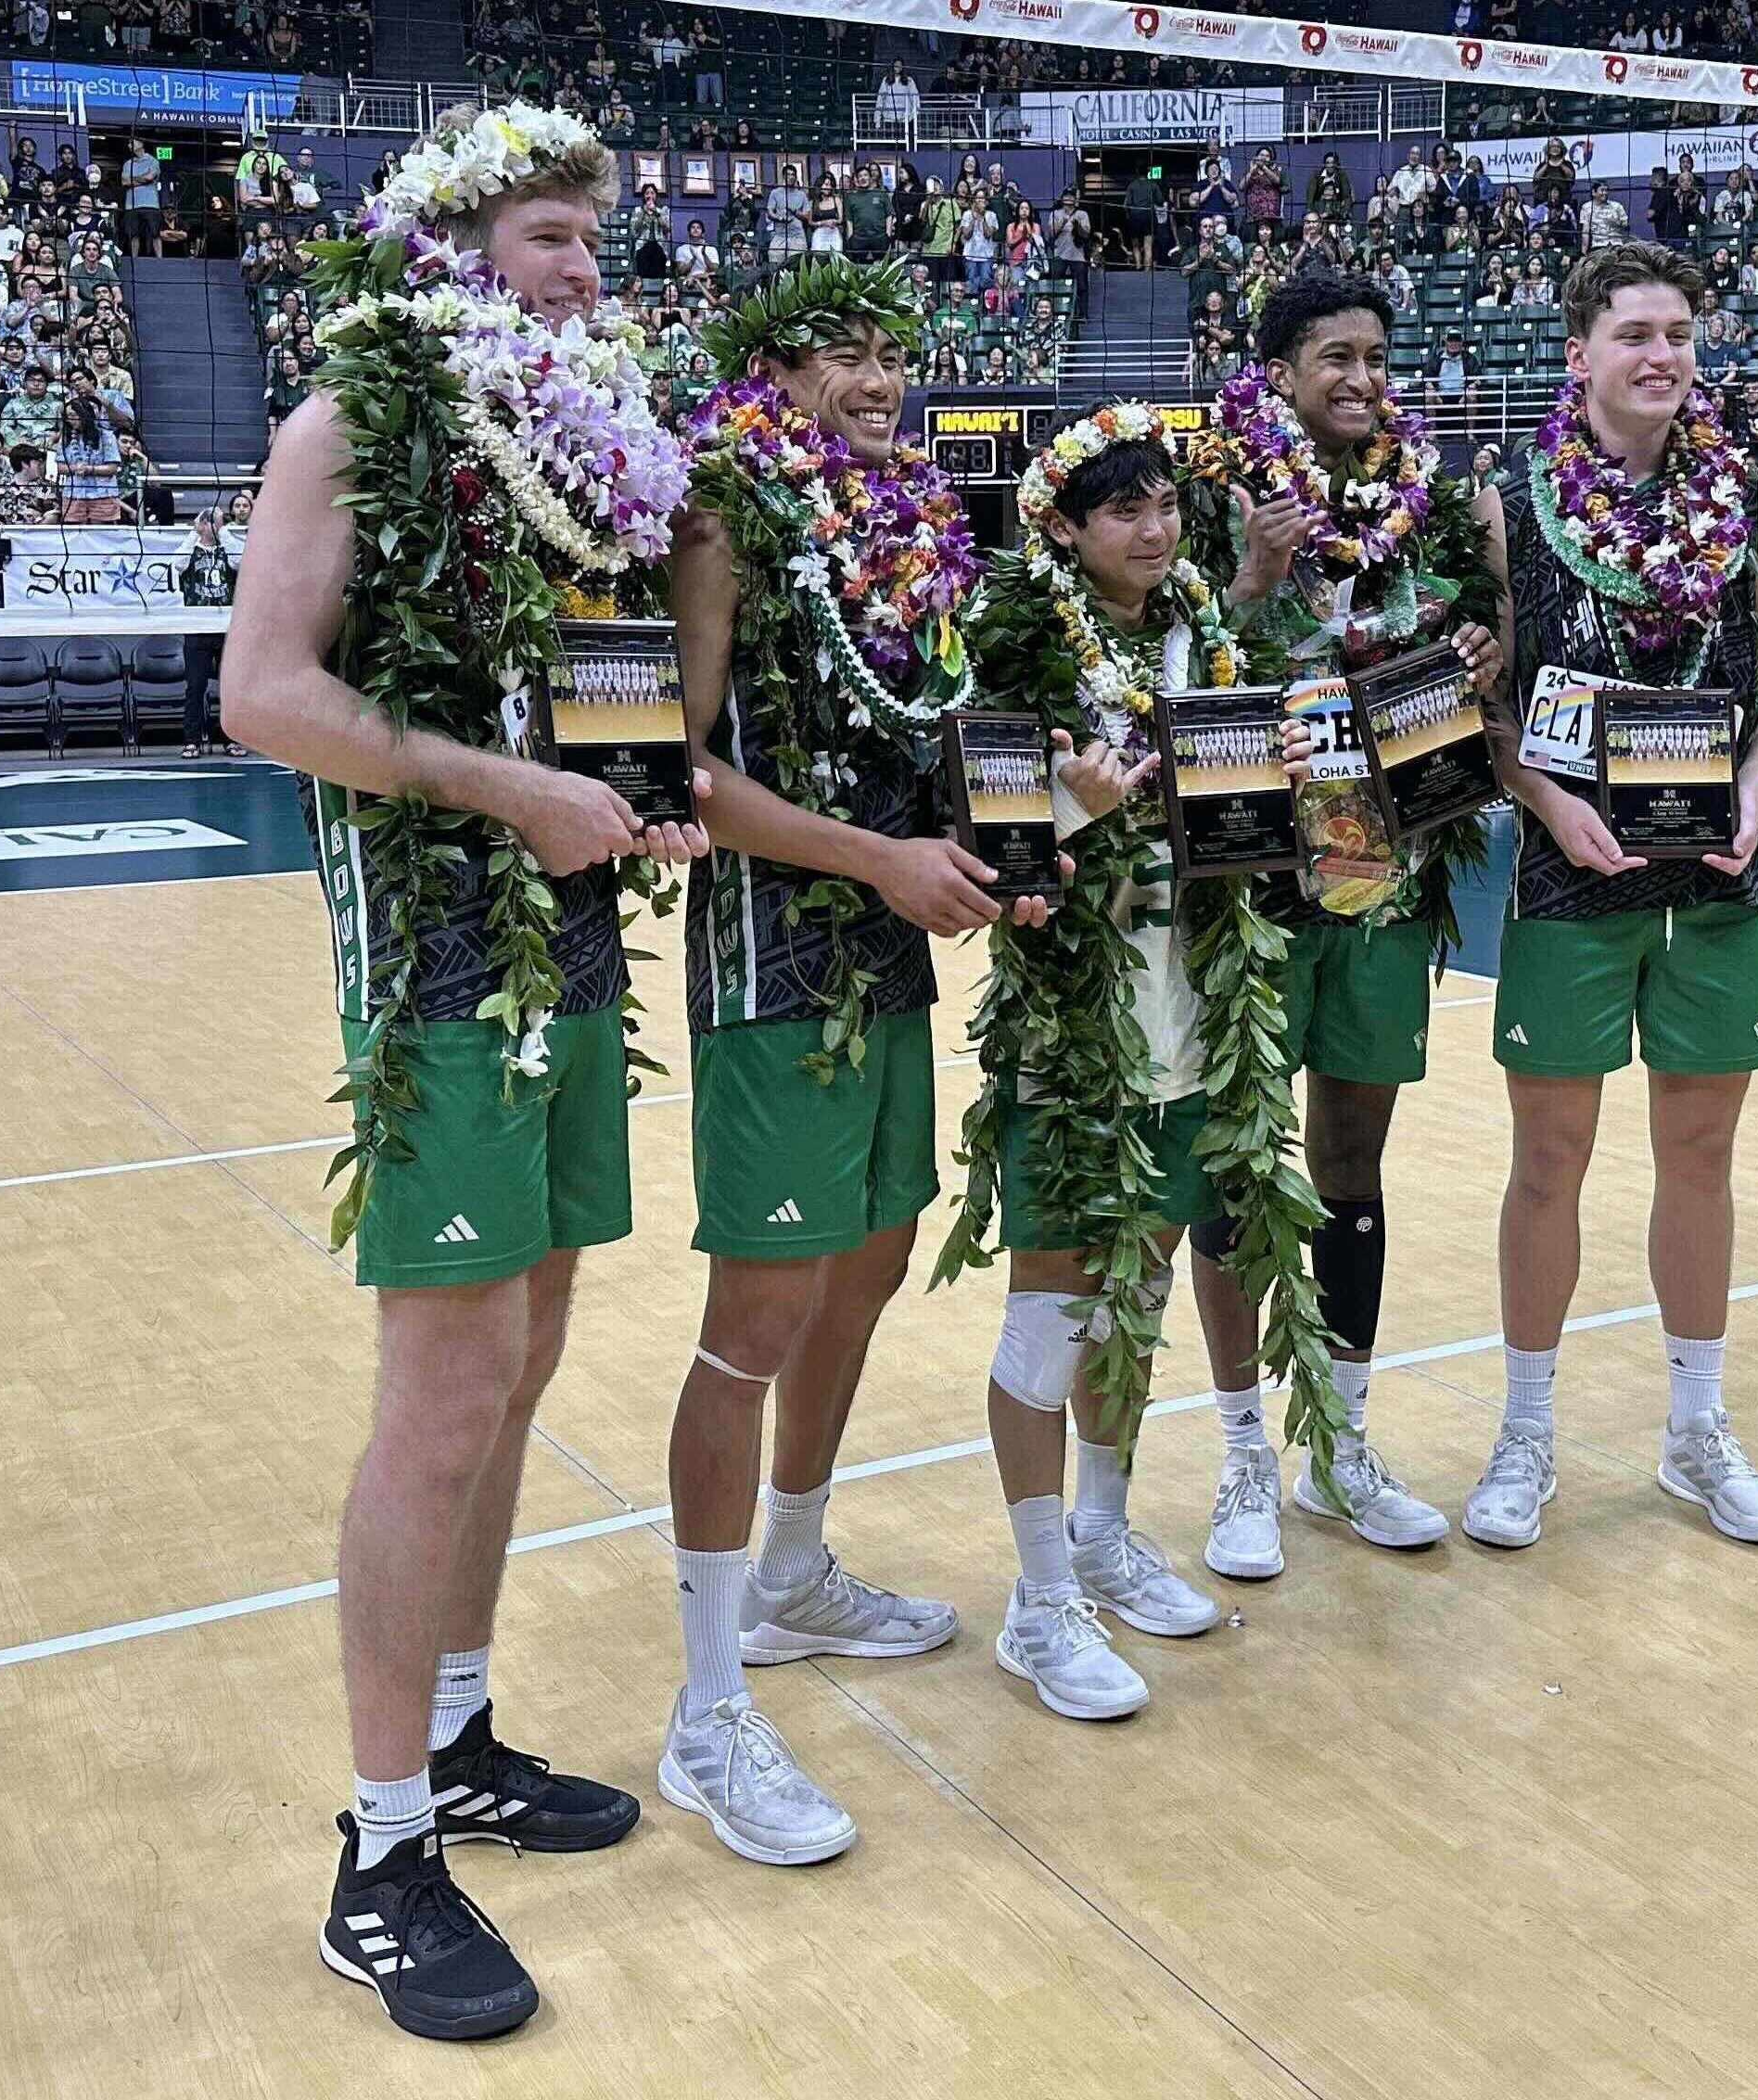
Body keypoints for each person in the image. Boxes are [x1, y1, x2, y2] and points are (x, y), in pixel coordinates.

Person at [221, 103, 709, 2046]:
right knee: (439, 1396)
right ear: (447, 246)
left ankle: (460, 1731)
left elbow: (589, 686)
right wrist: (507, 784)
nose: (585, 271)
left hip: (573, 937)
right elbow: (262, 693)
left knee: (525, 1356)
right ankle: (380, 1849)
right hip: (436, 949)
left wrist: (637, 787)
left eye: (595, 241)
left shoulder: (585, 444)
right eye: (546, 236)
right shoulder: (352, 421)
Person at [653, 261, 1000, 1860]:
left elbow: (925, 733)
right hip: (771, 964)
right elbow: (687, 773)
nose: (874, 375)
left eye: (888, 352)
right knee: (760, 1309)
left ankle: (791, 1571)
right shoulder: (724, 512)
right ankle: (706, 1705)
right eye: (837, 352)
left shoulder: (901, 532)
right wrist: (881, 862)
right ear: (765, 371)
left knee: (873, 1256)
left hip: (881, 955)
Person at [944, 400, 1315, 1721]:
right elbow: (991, 847)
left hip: (1191, 1010)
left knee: (1141, 1286)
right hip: (1076, 1028)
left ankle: (1103, 1537)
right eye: (1125, 510)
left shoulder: (1196, 630)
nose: (1155, 528)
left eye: (1165, 504)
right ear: (1064, 523)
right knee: (1052, 1306)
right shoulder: (1018, 645)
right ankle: (1038, 1603)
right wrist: (1067, 806)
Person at [1468, 245, 1758, 1551]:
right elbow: (1486, 700)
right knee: (1549, 1160)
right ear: (1580, 354)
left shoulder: (1753, 497)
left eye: (1679, 332)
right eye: (1634, 333)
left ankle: (1694, 1431)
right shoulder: (1509, 505)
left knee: (1703, 1154)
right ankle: (1526, 1432)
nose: (1662, 354)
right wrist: (1544, 802)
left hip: (1716, 874)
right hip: (1569, 875)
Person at [1176, 269, 1506, 1577]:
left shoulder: (1424, 506)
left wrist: (1484, 655)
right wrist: (1253, 574)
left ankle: (1345, 1447)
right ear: (1275, 372)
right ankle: (1246, 1449)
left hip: (1380, 870)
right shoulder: (1204, 490)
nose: (1362, 380)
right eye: (1335, 358)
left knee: (1353, 1162)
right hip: (1248, 878)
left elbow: (1486, 647)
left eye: (1376, 357)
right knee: (1240, 1163)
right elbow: (1164, 663)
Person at [176, 504, 235, 748]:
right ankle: (192, 740)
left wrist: (224, 532)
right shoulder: (190, 550)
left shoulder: (228, 550)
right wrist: (195, 531)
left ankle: (231, 739)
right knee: (196, 686)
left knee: (231, 689)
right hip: (198, 627)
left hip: (226, 629)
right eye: (208, 519)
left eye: (216, 520)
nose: (212, 523)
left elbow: (241, 563)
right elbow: (178, 565)